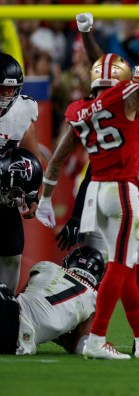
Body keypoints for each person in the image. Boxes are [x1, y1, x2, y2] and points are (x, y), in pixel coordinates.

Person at [35, 14, 139, 360]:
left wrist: (47, 198)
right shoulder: (127, 104)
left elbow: (58, 158)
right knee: (113, 267)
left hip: (107, 190)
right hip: (121, 191)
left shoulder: (82, 110)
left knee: (127, 264)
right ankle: (95, 337)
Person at [0, 246, 104, 356]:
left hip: (10, 316)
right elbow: (82, 347)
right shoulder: (94, 297)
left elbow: (18, 299)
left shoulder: (47, 266)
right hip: (19, 339)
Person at [0, 52, 42, 293]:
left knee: (12, 253)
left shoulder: (22, 111)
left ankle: (5, 306)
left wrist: (34, 195)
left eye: (10, 90)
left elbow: (33, 158)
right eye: (2, 89)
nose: (7, 96)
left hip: (3, 197)